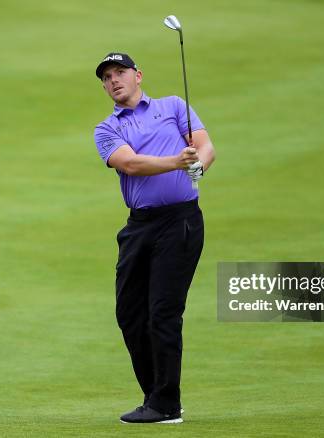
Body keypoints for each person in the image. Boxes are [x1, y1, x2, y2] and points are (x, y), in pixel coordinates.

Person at [93, 52, 215, 424]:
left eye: (120, 73)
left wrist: (199, 163)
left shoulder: (173, 106)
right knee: (130, 314)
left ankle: (165, 405)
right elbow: (130, 164)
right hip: (139, 225)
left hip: (180, 222)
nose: (113, 80)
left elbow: (206, 146)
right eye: (107, 77)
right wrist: (177, 161)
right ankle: (156, 398)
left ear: (138, 75)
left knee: (163, 312)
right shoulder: (106, 129)